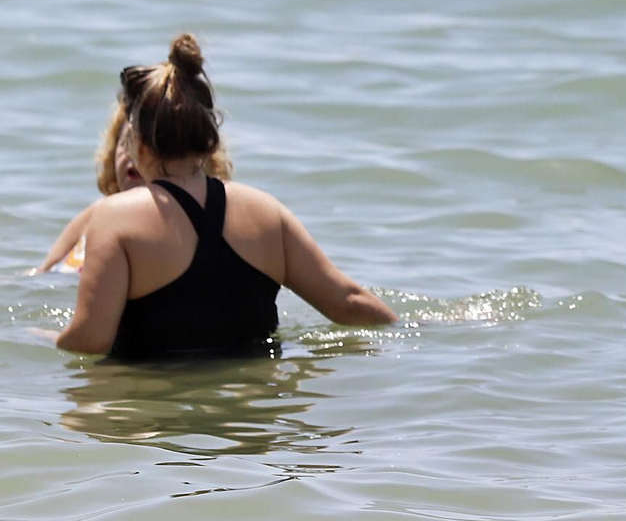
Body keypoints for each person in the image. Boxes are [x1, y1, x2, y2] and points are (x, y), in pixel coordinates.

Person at [54, 34, 396, 358]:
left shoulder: (115, 218)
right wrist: (420, 329)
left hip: (155, 409)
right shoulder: (266, 212)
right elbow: (349, 303)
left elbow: (91, 340)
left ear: (137, 144)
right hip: (255, 412)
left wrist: (35, 338)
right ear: (211, 141)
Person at [35, 82, 233, 274]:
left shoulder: (185, 228)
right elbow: (38, 276)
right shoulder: (95, 214)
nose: (135, 154)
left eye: (153, 144)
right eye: (126, 141)